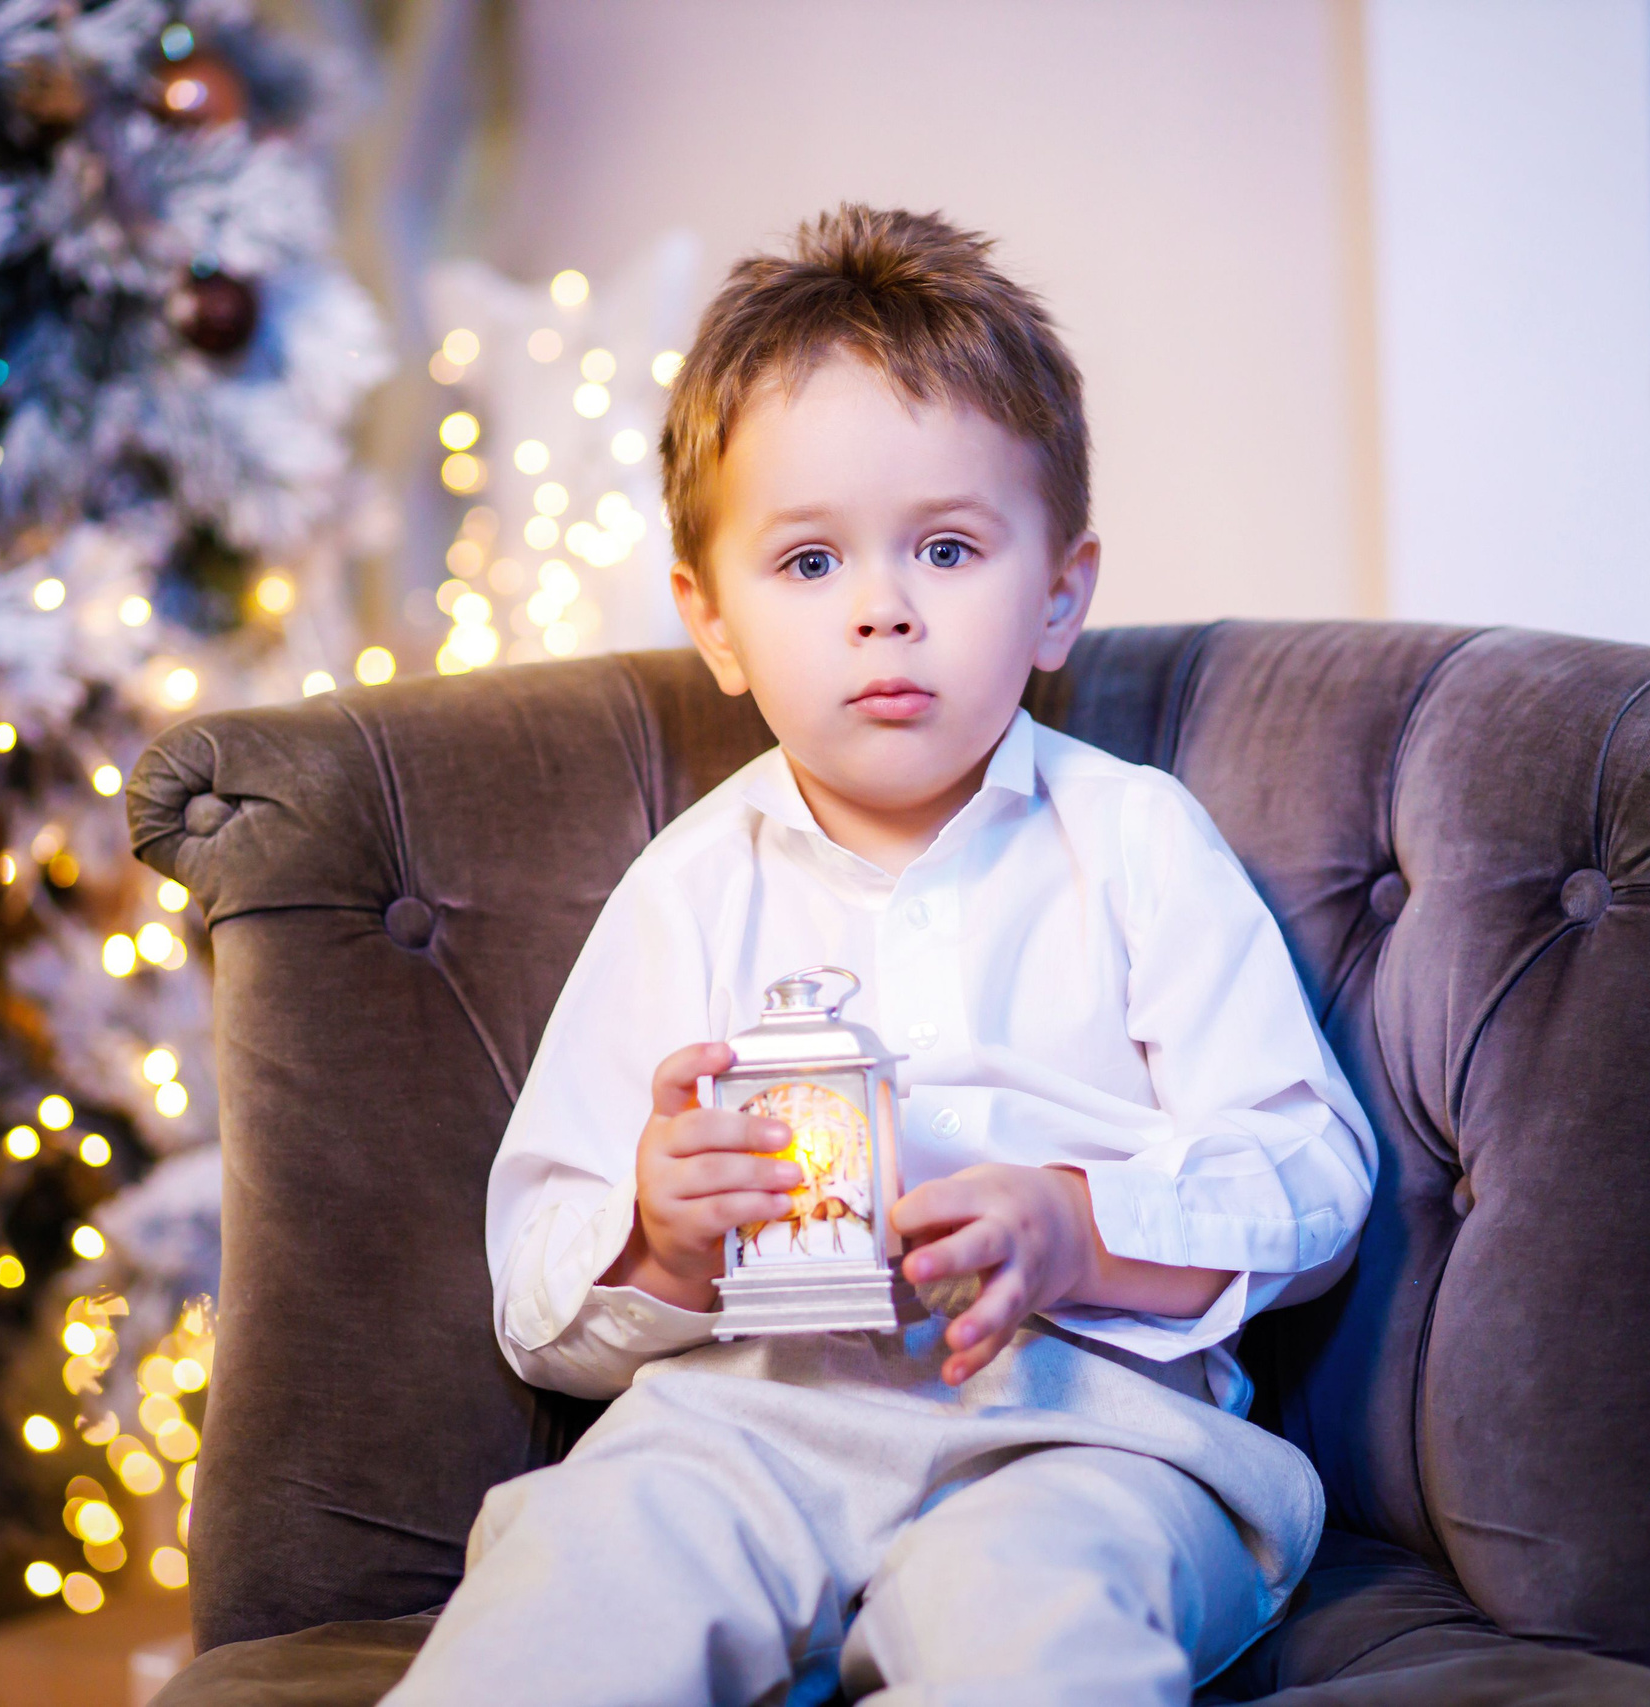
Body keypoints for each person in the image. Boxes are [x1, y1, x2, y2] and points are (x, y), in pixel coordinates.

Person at [383, 205, 1376, 1706]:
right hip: (743, 1433)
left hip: (1080, 1432)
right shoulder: (688, 889)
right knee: (574, 1591)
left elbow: (1310, 1179)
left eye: (949, 547)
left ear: (1058, 594)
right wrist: (657, 1238)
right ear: (710, 622)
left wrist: (1075, 1227)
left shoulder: (1136, 845)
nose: (882, 609)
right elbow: (538, 1290)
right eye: (806, 563)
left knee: (1034, 1637)